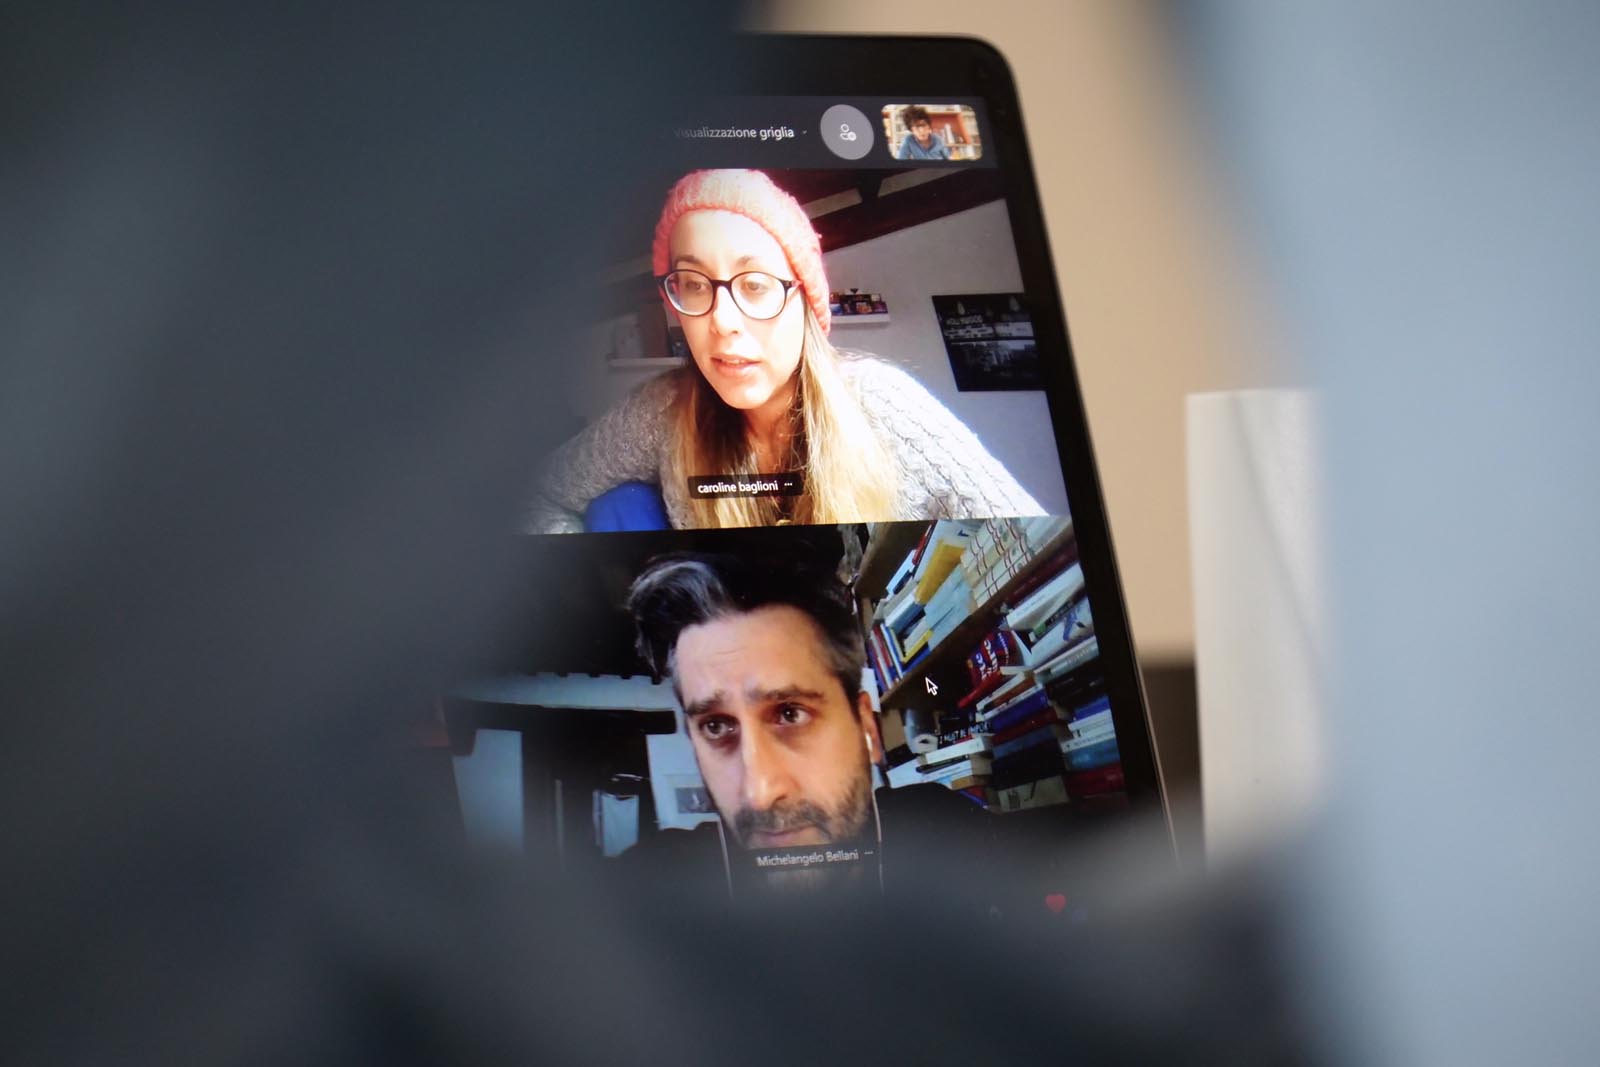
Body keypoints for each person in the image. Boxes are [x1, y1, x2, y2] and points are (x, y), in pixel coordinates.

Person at [528, 168, 1042, 532]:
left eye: (755, 284)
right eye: (694, 284)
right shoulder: (663, 410)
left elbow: (1032, 538)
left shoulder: (881, 405)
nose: (721, 322)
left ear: (805, 300)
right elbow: (540, 491)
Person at [619, 551, 990, 896]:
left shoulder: (944, 834)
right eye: (716, 726)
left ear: (867, 728)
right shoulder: (657, 883)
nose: (760, 794)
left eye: (790, 714)